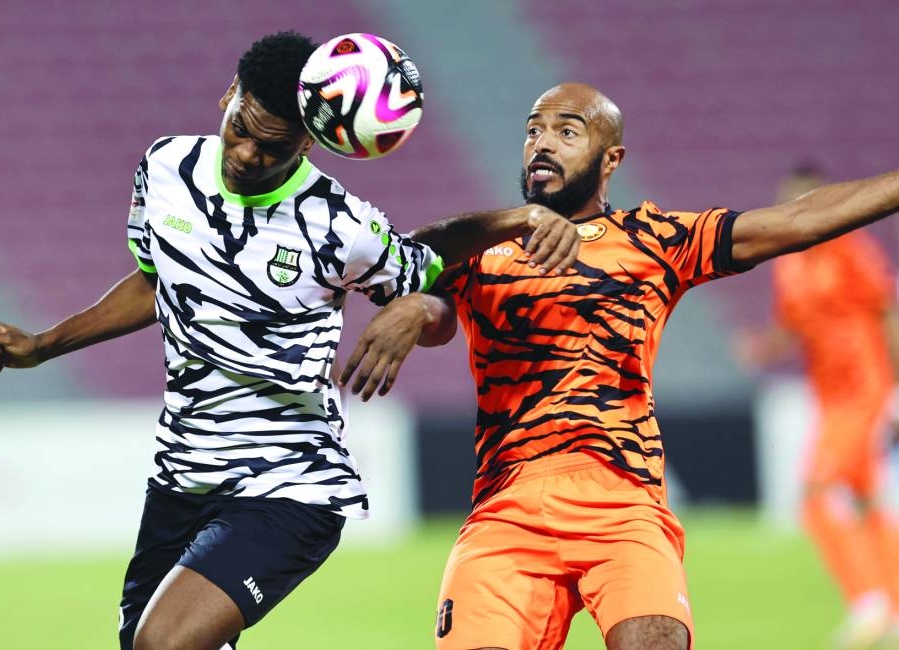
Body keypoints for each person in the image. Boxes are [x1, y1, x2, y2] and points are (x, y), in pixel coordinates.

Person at [0, 32, 580, 650]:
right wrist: (42, 345)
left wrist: (430, 297)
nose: (250, 154)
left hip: (290, 483)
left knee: (165, 644)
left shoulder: (342, 225)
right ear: (229, 95)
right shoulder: (165, 167)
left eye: (274, 146)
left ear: (310, 141)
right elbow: (160, 279)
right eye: (243, 129)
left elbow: (434, 283)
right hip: (182, 473)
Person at [340, 82, 899, 650]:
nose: (542, 144)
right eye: (534, 130)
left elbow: (796, 221)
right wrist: (419, 303)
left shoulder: (657, 239)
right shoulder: (484, 249)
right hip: (505, 509)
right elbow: (414, 264)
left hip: (622, 502)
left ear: (611, 159)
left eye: (566, 131)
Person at [736, 163, 899, 649]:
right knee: (866, 501)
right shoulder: (788, 263)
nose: (796, 214)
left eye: (804, 203)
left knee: (816, 494)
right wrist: (763, 348)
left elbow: (886, 312)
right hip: (828, 396)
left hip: (864, 388)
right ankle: (890, 601)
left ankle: (867, 603)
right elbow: (793, 328)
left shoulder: (851, 249)